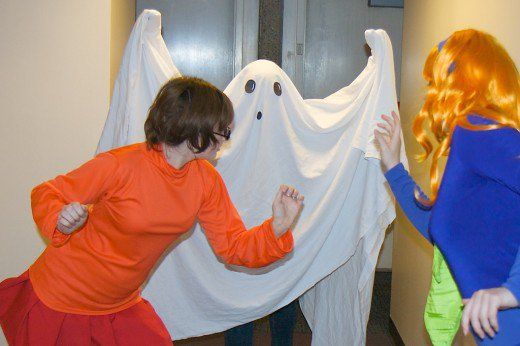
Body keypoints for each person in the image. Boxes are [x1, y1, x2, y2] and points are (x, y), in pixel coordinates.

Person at [0, 76, 304, 345]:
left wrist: (276, 227)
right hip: (62, 297)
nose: (226, 136)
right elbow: (47, 192)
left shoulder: (205, 179)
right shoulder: (120, 165)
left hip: (119, 303)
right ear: (193, 126)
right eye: (222, 128)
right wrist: (60, 219)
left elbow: (233, 246)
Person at [375, 29, 520, 345]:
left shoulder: (478, 131)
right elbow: (442, 227)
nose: (432, 92)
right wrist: (393, 168)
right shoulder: (471, 141)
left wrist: (512, 289)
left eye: (439, 80)